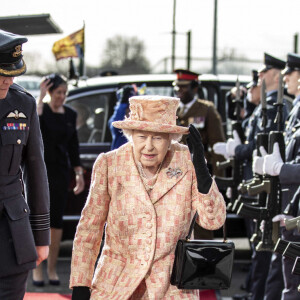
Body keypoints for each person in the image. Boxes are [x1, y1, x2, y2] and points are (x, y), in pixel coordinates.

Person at [69, 95, 226, 300]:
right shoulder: (110, 164)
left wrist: (203, 176)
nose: (149, 146)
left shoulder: (187, 161)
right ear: (131, 134)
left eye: (158, 137)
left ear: (170, 138)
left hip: (171, 287)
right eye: (142, 137)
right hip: (116, 284)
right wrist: (81, 283)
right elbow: (89, 228)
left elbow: (213, 222)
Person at [0, 29, 50, 299]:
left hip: (11, 233)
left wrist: (41, 237)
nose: (7, 81)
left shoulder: (23, 103)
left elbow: (36, 169)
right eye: (1, 73)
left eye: (11, 74)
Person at [253, 52, 300, 300]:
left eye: (290, 74)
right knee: (283, 276)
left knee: (290, 282)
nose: (286, 79)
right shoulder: (295, 111)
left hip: (294, 208)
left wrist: (280, 169)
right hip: (289, 205)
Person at [32, 73, 85, 286]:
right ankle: (37, 270)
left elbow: (74, 147)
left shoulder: (70, 114)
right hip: (40, 173)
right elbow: (33, 130)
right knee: (39, 221)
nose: (61, 96)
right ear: (50, 92)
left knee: (56, 222)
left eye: (64, 93)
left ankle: (52, 269)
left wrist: (79, 174)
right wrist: (40, 97)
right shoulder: (41, 112)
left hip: (61, 175)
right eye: (57, 92)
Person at [108, 84, 137, 150]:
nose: (129, 112)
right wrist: (123, 104)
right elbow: (116, 124)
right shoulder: (117, 118)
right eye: (128, 109)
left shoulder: (138, 121)